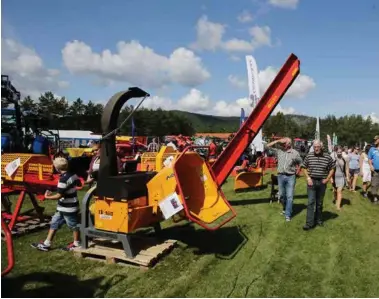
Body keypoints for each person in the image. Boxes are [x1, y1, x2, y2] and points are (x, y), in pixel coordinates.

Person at [31, 157, 82, 251]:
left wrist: (47, 197)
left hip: (68, 207)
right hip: (64, 206)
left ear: (57, 168)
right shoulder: (73, 175)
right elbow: (78, 184)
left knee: (73, 225)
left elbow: (58, 195)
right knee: (54, 223)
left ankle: (77, 243)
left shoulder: (63, 179)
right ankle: (47, 244)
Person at [266, 137, 302, 221]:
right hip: (281, 176)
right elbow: (266, 146)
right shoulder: (279, 151)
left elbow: (301, 162)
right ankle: (286, 209)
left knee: (290, 196)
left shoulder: (295, 153)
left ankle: (288, 214)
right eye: (282, 143)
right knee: (281, 195)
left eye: (284, 143)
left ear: (289, 144)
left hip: (290, 176)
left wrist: (297, 171)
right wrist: (278, 141)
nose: (282, 145)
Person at [302, 140, 335, 230]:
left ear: (321, 147)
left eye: (318, 147)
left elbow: (332, 168)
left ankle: (319, 220)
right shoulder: (309, 155)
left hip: (322, 182)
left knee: (319, 203)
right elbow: (304, 167)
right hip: (311, 181)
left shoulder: (327, 157)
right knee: (310, 202)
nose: (316, 148)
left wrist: (327, 179)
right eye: (315, 147)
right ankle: (309, 223)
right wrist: (308, 178)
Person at [332, 146, 349, 211]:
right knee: (335, 191)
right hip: (335, 177)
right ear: (336, 152)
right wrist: (331, 178)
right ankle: (336, 200)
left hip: (342, 177)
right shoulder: (334, 160)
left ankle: (338, 206)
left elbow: (347, 169)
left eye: (340, 152)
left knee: (339, 191)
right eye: (338, 152)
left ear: (342, 152)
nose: (339, 153)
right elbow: (331, 169)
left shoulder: (344, 159)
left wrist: (347, 176)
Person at [368, 135, 379, 203]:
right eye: (374, 139)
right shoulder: (372, 149)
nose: (374, 141)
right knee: (374, 184)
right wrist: (370, 165)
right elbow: (369, 158)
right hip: (375, 170)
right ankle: (375, 197)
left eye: (376, 139)